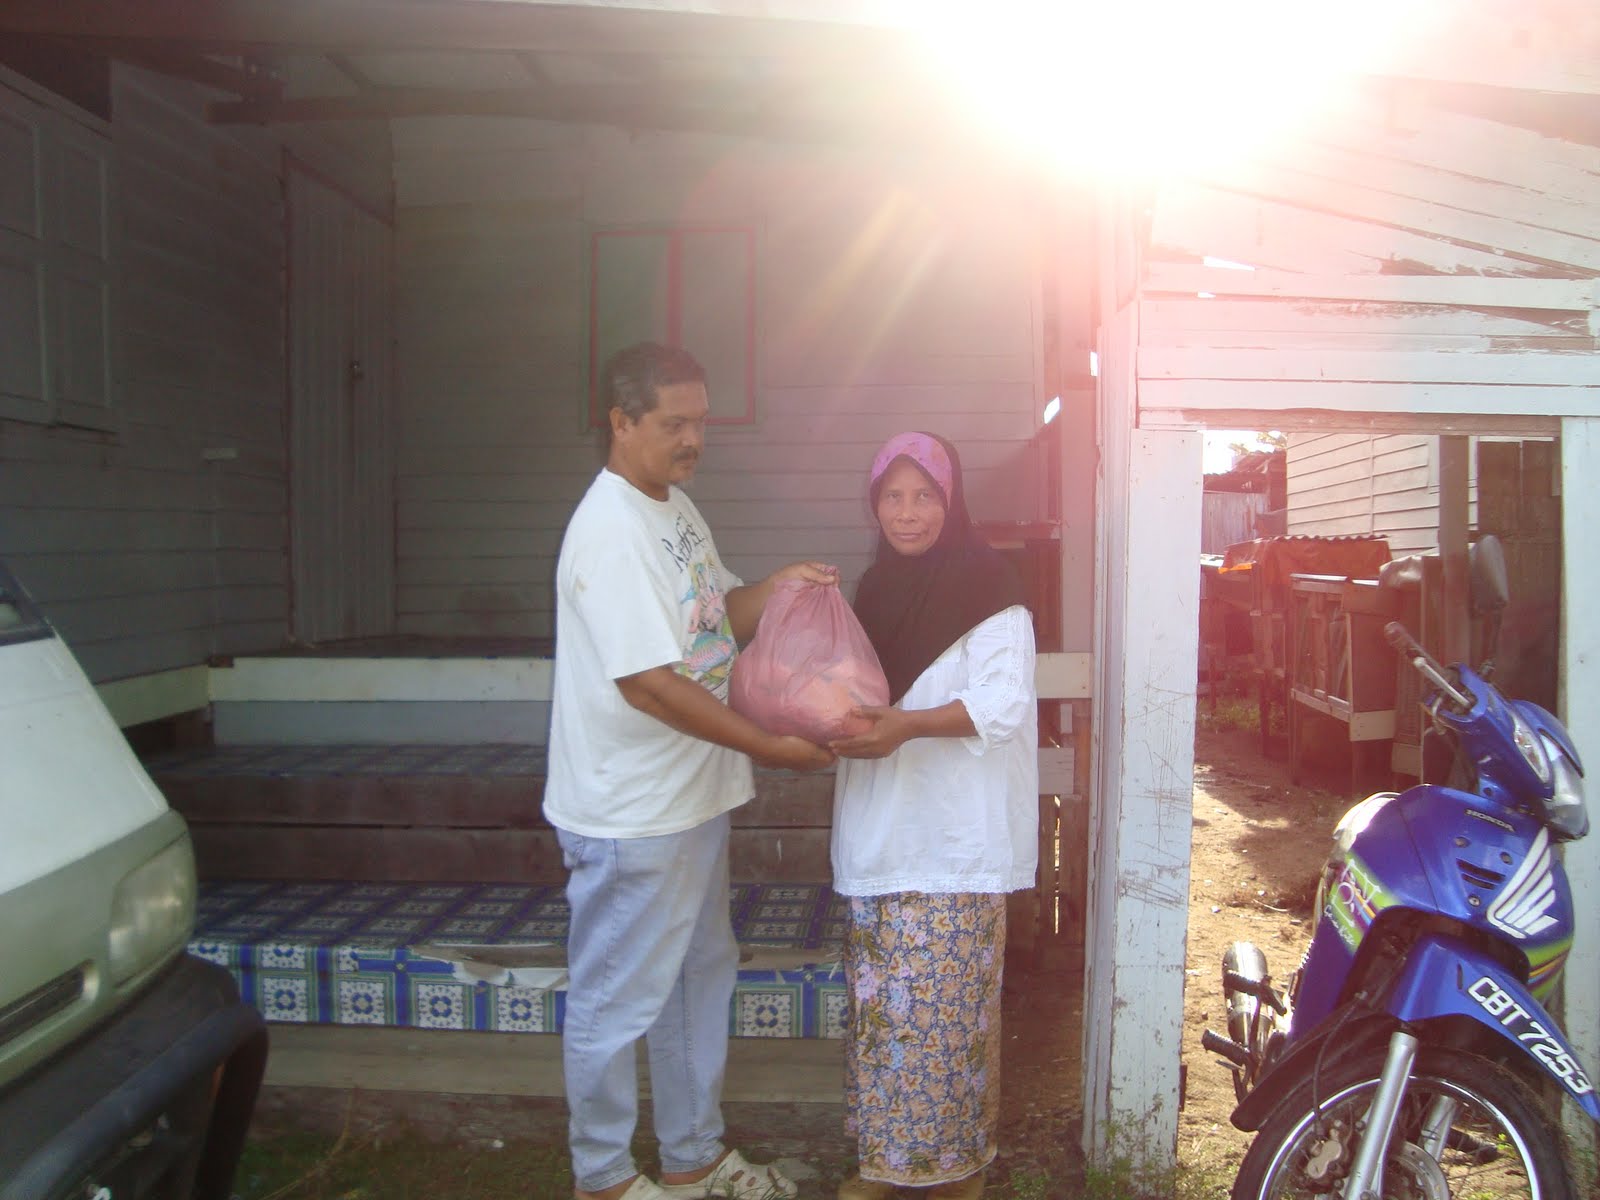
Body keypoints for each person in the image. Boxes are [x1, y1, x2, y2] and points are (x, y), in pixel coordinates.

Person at [545, 341, 837, 1200]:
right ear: (621, 421)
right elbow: (650, 686)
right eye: (673, 423)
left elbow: (716, 620)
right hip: (633, 816)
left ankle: (692, 1159)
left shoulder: (673, 510)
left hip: (691, 801)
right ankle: (600, 1176)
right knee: (616, 998)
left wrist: (778, 589)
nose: (692, 439)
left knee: (694, 981)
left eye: (700, 422)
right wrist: (769, 745)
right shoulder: (608, 530)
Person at [828, 431, 1039, 1200]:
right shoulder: (871, 592)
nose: (907, 513)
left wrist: (908, 726)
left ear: (951, 504)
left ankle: (956, 1176)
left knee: (947, 1018)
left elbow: (1005, 701)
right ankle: (887, 1167)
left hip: (955, 840)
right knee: (887, 1011)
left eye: (924, 496)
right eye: (893, 495)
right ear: (873, 503)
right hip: (882, 832)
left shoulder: (991, 587)